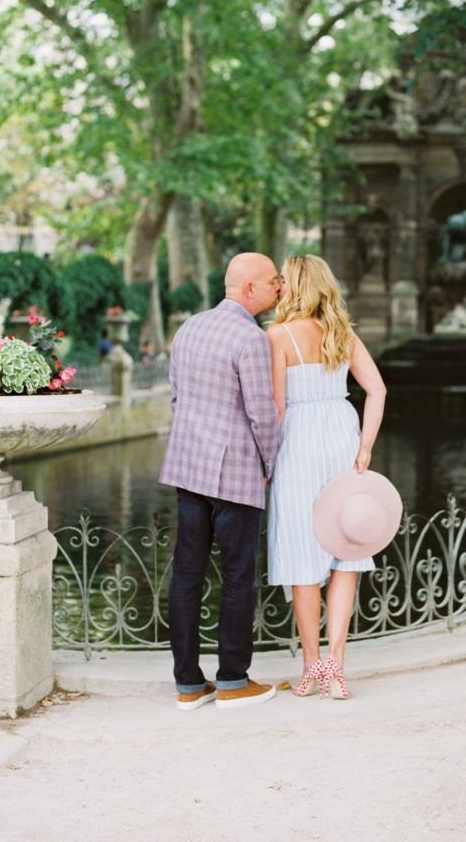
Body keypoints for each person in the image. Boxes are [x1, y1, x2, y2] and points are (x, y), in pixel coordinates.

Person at [159, 252, 280, 711]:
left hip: (188, 469)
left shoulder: (189, 327)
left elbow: (175, 397)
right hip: (235, 475)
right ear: (249, 289)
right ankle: (233, 679)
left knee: (187, 576)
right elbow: (262, 414)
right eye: (273, 281)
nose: (279, 288)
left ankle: (188, 685)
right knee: (238, 577)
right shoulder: (251, 338)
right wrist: (269, 465)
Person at [267, 255, 387, 699]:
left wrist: (265, 464)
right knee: (345, 553)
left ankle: (311, 667)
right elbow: (377, 389)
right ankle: (337, 670)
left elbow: (277, 409)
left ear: (294, 286)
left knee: (303, 558)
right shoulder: (342, 333)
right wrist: (365, 447)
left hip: (298, 443)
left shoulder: (277, 336)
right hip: (340, 435)